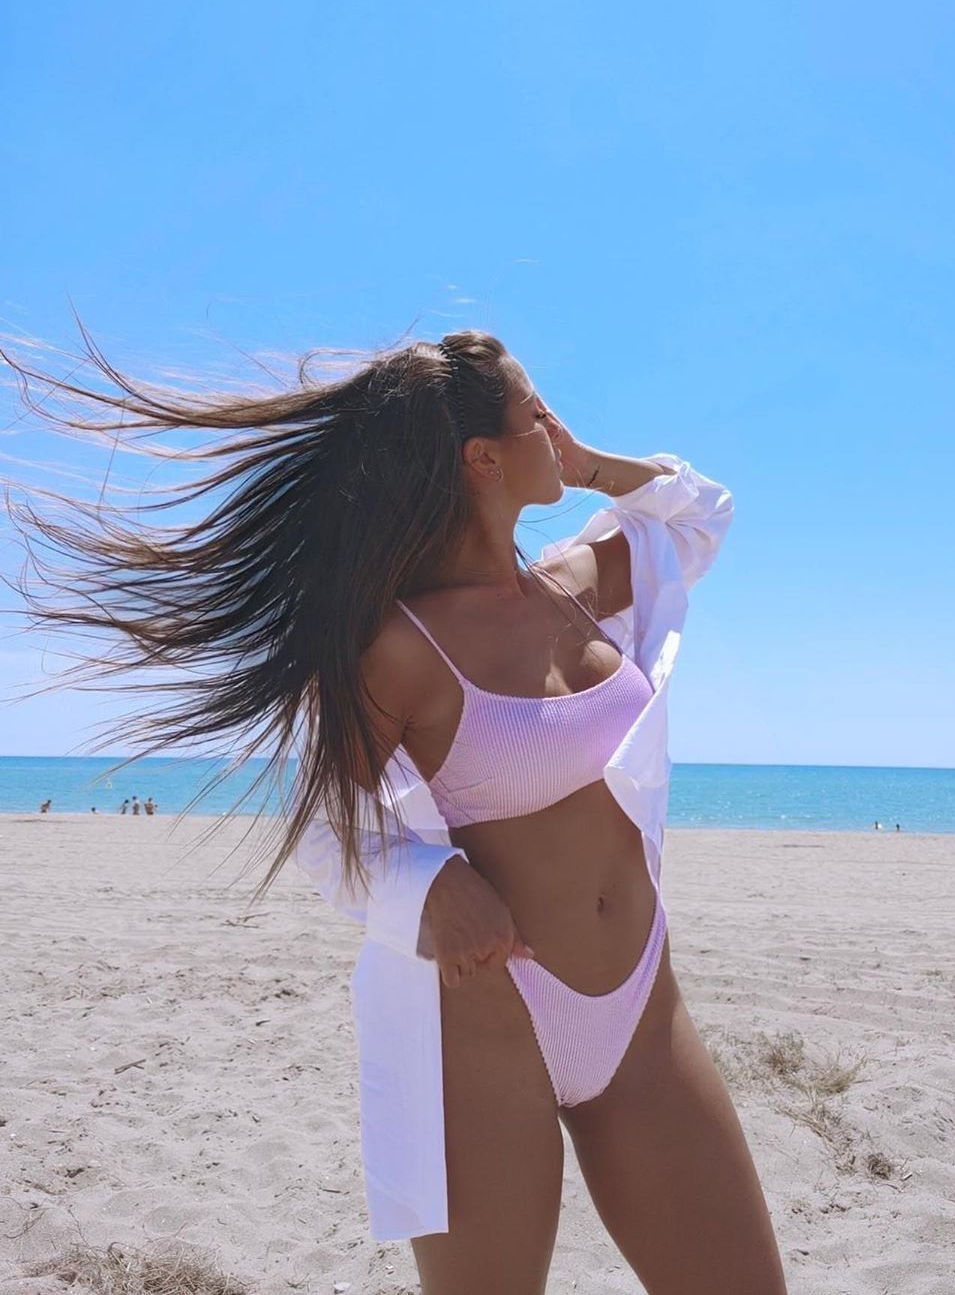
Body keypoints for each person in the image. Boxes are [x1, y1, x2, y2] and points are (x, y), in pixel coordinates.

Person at [6, 327, 786, 1293]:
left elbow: (702, 514)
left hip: (641, 1016)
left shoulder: (584, 583)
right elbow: (323, 821)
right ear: (482, 459)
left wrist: (589, 466)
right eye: (536, 411)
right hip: (489, 1025)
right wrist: (430, 883)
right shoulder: (401, 647)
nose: (556, 424)